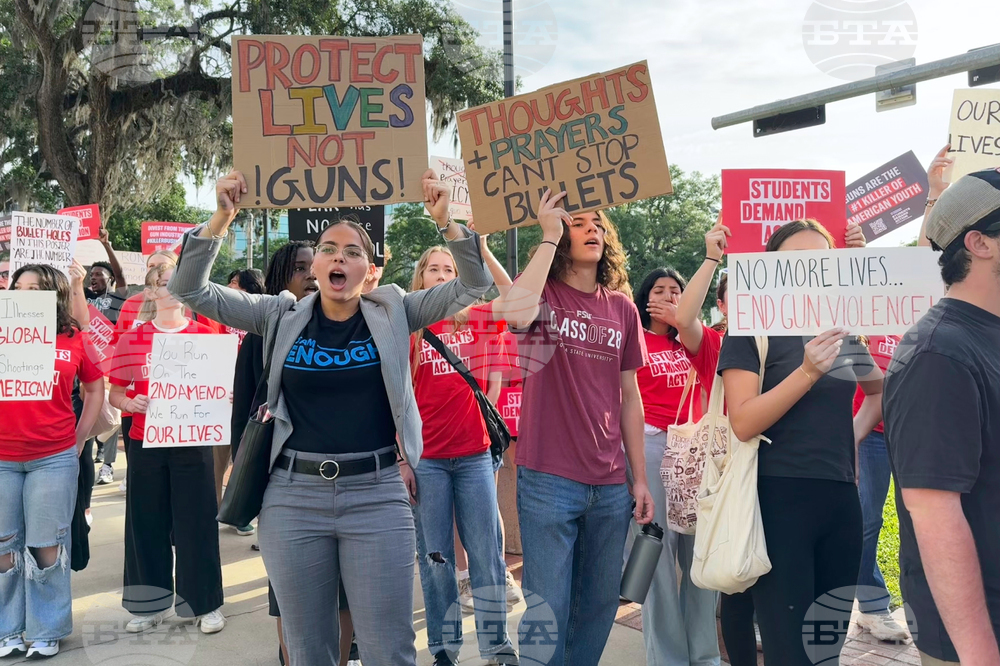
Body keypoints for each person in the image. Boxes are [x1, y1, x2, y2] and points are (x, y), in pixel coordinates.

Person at [168, 169, 492, 666]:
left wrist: (446, 220)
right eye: (329, 248)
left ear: (370, 269)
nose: (340, 255)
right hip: (293, 499)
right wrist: (221, 217)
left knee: (390, 649)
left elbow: (476, 284)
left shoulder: (395, 310)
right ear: (315, 264)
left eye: (353, 250)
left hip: (378, 495)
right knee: (308, 651)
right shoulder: (280, 314)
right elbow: (191, 289)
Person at [492, 190, 654, 666]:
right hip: (549, 479)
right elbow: (516, 313)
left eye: (598, 224)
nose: (593, 230)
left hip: (608, 484)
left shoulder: (622, 309)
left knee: (599, 605)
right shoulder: (542, 296)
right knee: (549, 609)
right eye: (579, 223)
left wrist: (639, 477)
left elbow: (631, 397)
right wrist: (547, 235)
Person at [716, 218, 883, 666]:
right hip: (778, 499)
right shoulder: (750, 328)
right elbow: (743, 421)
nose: (811, 268)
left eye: (821, 259)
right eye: (797, 260)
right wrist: (808, 371)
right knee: (790, 651)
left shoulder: (842, 332)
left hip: (841, 500)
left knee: (827, 649)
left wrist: (849, 435)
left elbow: (878, 392)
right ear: (772, 269)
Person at [884, 169, 1000, 666]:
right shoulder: (940, 353)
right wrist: (979, 655)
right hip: (979, 636)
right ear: (979, 243)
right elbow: (934, 514)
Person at [408, 240, 517, 666]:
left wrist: (483, 250)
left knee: (487, 558)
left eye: (449, 269)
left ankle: (496, 647)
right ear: (421, 278)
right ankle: (444, 650)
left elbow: (517, 298)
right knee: (436, 562)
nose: (441, 276)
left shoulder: (478, 318)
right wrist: (404, 458)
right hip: (428, 460)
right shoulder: (409, 325)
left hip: (474, 455)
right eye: (433, 269)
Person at [108, 263, 227, 635]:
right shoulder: (133, 339)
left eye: (178, 281)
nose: (170, 289)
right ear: (151, 292)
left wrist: (225, 397)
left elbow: (220, 390)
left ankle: (205, 603)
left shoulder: (206, 335)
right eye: (162, 283)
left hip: (191, 441)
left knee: (198, 523)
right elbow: (114, 392)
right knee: (146, 523)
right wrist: (129, 405)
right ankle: (148, 605)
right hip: (146, 442)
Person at [0, 264, 104, 659]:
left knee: (47, 547)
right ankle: (6, 627)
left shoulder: (74, 338)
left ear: (53, 295)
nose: (24, 293)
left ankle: (46, 628)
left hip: (52, 458)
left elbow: (94, 390)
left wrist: (79, 439)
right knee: (4, 548)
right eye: (18, 286)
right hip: (2, 458)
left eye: (35, 287)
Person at [229, 241, 320, 666]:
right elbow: (245, 409)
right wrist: (243, 468)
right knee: (289, 589)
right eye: (300, 269)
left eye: (313, 266)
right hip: (283, 478)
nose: (311, 275)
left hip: (339, 476)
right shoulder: (262, 332)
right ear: (282, 277)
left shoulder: (349, 325)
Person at [630, 259, 726, 663]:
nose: (669, 297)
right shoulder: (631, 338)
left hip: (696, 453)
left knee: (701, 559)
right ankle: (667, 657)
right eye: (659, 291)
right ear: (643, 299)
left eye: (677, 291)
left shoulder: (697, 340)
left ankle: (704, 655)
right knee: (657, 561)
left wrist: (711, 258)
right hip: (651, 450)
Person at [853, 333, 909, 641]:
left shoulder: (913, 319)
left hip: (912, 432)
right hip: (870, 434)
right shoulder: (862, 323)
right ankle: (873, 608)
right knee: (868, 522)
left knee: (918, 521)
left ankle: (925, 605)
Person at [215, 266, 265, 531]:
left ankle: (245, 514)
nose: (231, 287)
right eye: (230, 281)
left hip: (250, 403)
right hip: (220, 400)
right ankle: (220, 511)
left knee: (247, 460)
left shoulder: (262, 318)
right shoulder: (218, 318)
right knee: (218, 461)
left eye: (237, 283)